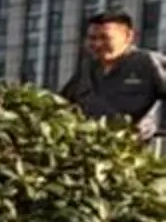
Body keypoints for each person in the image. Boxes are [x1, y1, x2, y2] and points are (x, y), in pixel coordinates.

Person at [60, 10, 166, 150]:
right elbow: (61, 104)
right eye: (92, 38)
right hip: (92, 153)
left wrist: (150, 124)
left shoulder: (147, 63)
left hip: (137, 155)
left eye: (105, 38)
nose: (97, 44)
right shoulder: (87, 69)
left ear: (128, 37)